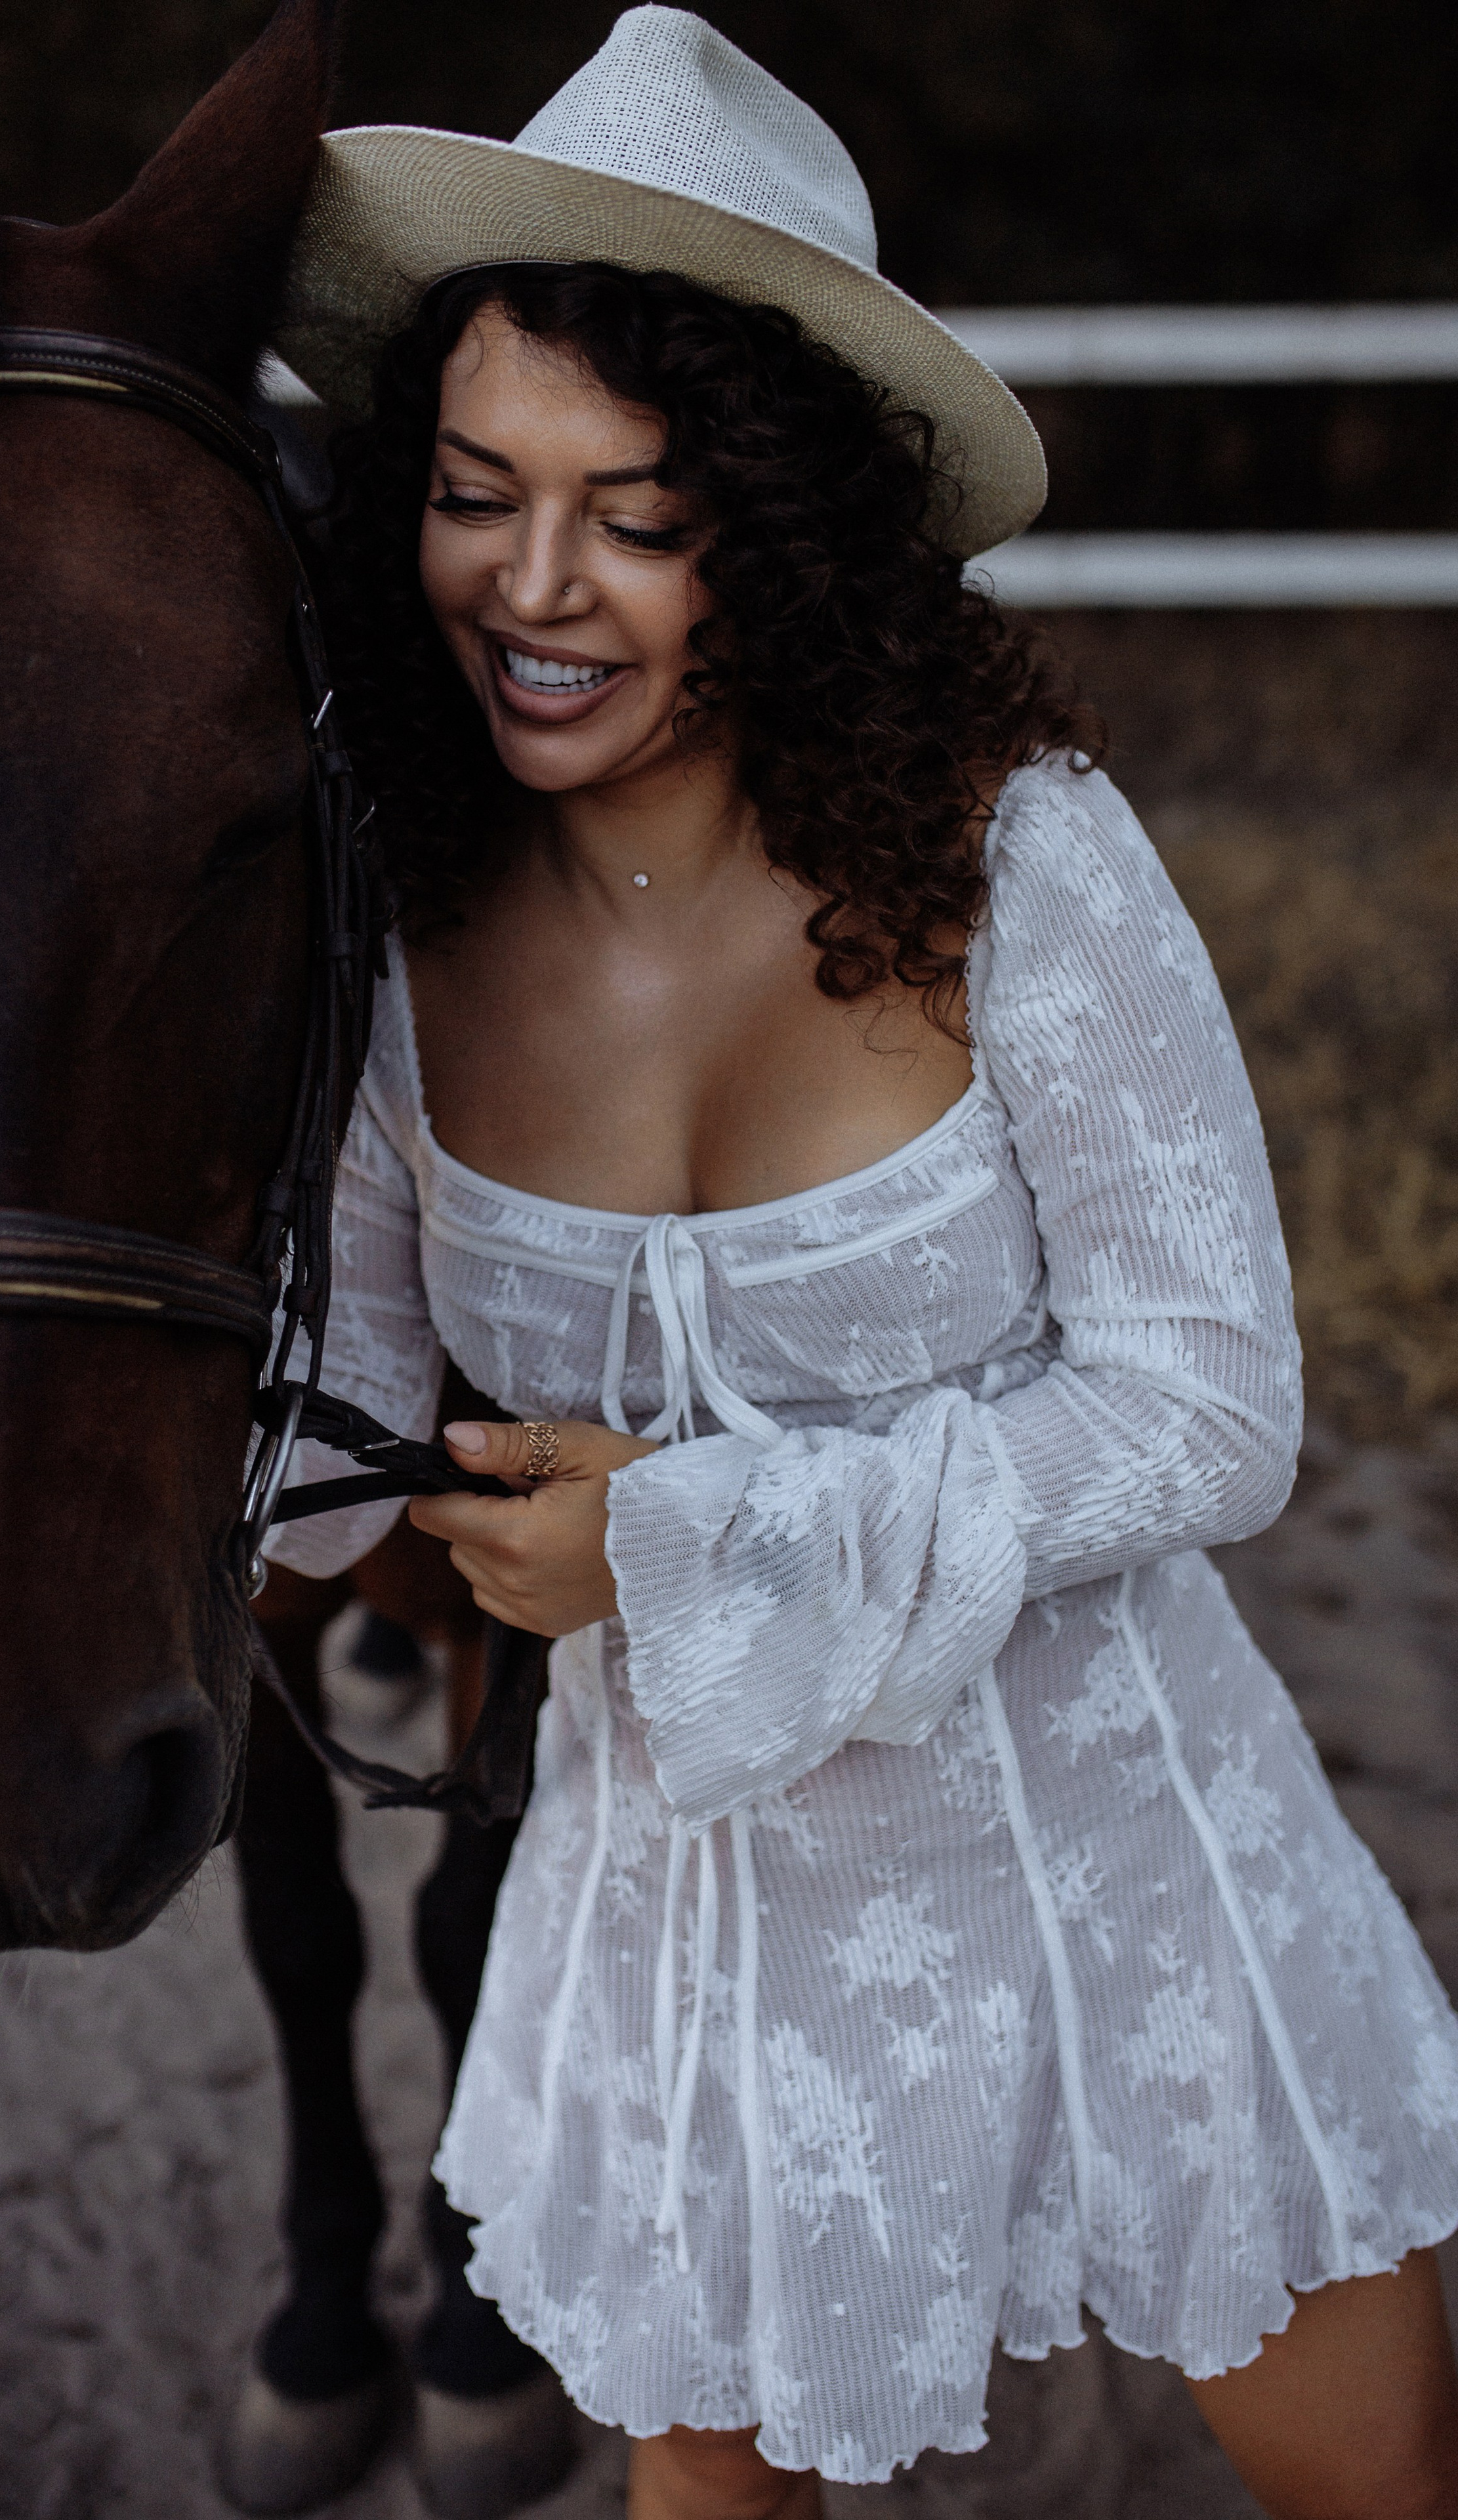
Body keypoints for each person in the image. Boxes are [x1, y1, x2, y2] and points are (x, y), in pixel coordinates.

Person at [264, 10, 1458, 2513]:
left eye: (638, 514)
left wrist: (675, 1544)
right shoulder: (396, 937)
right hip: (686, 1936)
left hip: (1122, 1870)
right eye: (478, 493)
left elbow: (1211, 1409)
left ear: (779, 535)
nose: (537, 587)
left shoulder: (1015, 866)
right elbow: (331, 1457)